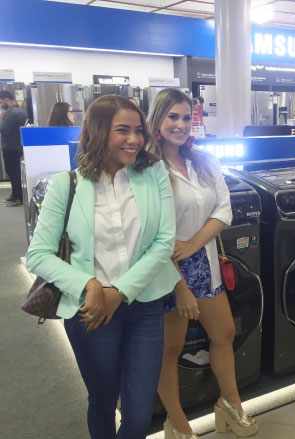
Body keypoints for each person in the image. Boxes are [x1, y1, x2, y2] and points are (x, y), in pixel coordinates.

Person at [25, 95, 180, 438]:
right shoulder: (67, 184)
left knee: (139, 414)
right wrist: (90, 285)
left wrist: (119, 292)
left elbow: (164, 242)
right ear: (98, 132)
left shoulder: (153, 173)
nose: (134, 139)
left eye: (138, 131)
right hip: (91, 311)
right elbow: (38, 254)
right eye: (122, 130)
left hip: (145, 305)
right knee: (103, 400)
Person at [147, 88, 258, 439]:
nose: (180, 125)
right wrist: (179, 283)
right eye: (172, 117)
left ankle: (230, 404)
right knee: (170, 350)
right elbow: (151, 232)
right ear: (157, 119)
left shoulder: (205, 161)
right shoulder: (148, 168)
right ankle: (177, 422)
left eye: (186, 118)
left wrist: (193, 244)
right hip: (166, 269)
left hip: (203, 261)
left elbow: (224, 210)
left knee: (224, 333)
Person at [0, 90, 27, 206]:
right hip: (17, 146)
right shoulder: (20, 111)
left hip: (10, 147)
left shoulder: (11, 112)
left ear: (6, 100)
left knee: (13, 172)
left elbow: (5, 130)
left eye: (1, 101)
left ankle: (18, 197)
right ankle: (15, 195)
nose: (1, 104)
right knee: (15, 172)